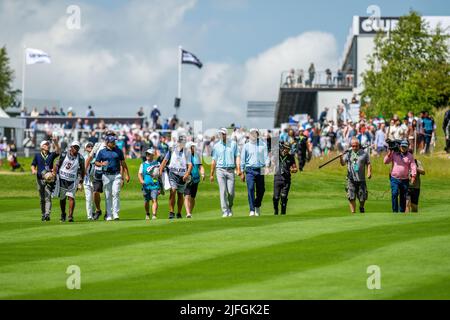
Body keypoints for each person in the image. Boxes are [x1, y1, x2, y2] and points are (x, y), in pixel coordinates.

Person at [95, 135, 130, 221]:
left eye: (114, 141)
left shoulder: (118, 151)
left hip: (117, 175)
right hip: (106, 175)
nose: (114, 142)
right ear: (107, 142)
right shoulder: (102, 152)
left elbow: (123, 162)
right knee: (108, 195)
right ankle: (109, 214)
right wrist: (101, 164)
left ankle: (115, 213)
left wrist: (126, 174)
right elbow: (96, 162)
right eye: (112, 141)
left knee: (116, 193)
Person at [159, 133, 193, 219]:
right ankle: (171, 212)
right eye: (180, 142)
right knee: (173, 191)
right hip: (172, 174)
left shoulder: (187, 152)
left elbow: (190, 165)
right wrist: (160, 171)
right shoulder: (171, 150)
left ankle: (179, 212)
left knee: (180, 194)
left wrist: (187, 174)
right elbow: (165, 160)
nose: (180, 144)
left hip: (183, 176)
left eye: (182, 142)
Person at [210, 128, 241, 217]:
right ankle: (225, 211)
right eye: (220, 134)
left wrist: (238, 169)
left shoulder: (233, 144)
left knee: (231, 193)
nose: (221, 135)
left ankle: (229, 207)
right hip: (220, 170)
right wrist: (211, 174)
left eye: (223, 134)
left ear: (226, 134)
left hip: (231, 170)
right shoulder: (216, 146)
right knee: (222, 191)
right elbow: (213, 160)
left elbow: (237, 157)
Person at [240, 128, 270, 217]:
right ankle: (252, 209)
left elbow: (266, 157)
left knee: (261, 190)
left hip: (260, 169)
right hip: (249, 170)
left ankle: (257, 205)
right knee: (251, 188)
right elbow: (242, 159)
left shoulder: (263, 145)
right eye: (252, 133)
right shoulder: (246, 145)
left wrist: (267, 166)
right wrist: (242, 172)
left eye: (255, 133)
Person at [55, 141, 85, 223]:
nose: (76, 149)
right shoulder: (64, 154)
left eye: (77, 147)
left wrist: (81, 181)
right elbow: (57, 164)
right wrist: (54, 173)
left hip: (73, 180)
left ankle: (70, 216)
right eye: (74, 147)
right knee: (62, 198)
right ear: (71, 147)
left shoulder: (81, 158)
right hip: (62, 179)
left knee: (71, 197)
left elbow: (83, 170)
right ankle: (63, 214)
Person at [31, 138, 61, 221]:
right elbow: (33, 164)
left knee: (48, 197)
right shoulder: (37, 155)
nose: (47, 146)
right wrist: (33, 170)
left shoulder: (51, 154)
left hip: (49, 179)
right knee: (42, 198)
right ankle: (43, 214)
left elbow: (58, 151)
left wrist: (55, 142)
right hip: (39, 179)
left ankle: (47, 214)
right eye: (45, 144)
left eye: (48, 144)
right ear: (41, 147)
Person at [340, 138, 372, 214]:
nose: (354, 148)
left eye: (356, 146)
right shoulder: (348, 153)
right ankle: (353, 212)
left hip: (361, 179)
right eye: (353, 146)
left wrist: (369, 172)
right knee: (351, 197)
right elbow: (343, 164)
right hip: (350, 178)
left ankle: (361, 207)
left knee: (362, 198)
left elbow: (368, 163)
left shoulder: (364, 153)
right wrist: (341, 157)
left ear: (359, 145)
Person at [384, 140, 417, 213]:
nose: (403, 148)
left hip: (405, 179)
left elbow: (413, 166)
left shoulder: (410, 156)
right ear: (400, 146)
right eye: (402, 146)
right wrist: (389, 153)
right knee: (394, 193)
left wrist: (413, 176)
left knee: (403, 196)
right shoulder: (394, 153)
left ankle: (402, 212)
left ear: (407, 147)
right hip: (394, 178)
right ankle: (395, 211)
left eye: (405, 147)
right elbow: (385, 161)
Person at [273, 142, 298, 215]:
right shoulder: (277, 155)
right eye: (286, 148)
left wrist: (293, 170)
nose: (287, 150)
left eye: (288, 149)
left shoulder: (291, 157)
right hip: (277, 178)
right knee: (276, 197)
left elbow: (295, 168)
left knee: (284, 197)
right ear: (283, 147)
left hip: (286, 180)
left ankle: (283, 213)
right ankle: (276, 211)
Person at [138, 149, 161, 220]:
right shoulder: (143, 164)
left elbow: (160, 175)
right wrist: (141, 180)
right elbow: (139, 174)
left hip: (155, 185)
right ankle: (147, 213)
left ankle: (154, 214)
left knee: (154, 199)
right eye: (147, 154)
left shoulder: (157, 163)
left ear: (152, 155)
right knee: (146, 201)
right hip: (146, 185)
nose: (147, 155)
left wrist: (160, 187)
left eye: (149, 154)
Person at [184, 142, 205, 218]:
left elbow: (200, 166)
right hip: (188, 179)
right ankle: (188, 213)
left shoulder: (197, 156)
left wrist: (202, 173)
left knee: (192, 197)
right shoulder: (185, 156)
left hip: (196, 179)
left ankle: (190, 212)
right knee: (187, 196)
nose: (194, 148)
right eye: (193, 147)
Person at [83, 142, 96, 220]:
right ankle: (89, 216)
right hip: (87, 180)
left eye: (92, 146)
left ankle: (94, 213)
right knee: (88, 198)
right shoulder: (84, 158)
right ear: (85, 148)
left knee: (94, 198)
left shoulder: (97, 157)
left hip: (95, 180)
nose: (90, 147)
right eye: (88, 146)